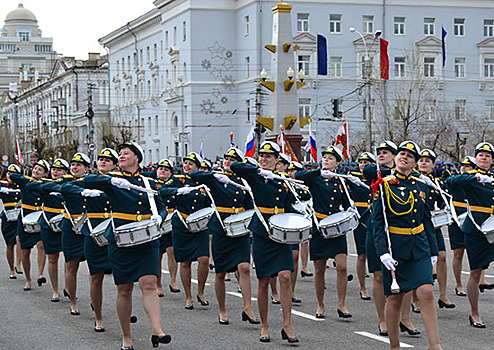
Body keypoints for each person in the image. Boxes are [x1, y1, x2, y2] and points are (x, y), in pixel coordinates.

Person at [80, 141, 171, 349]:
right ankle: (126, 337)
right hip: (121, 241)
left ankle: (158, 331)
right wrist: (111, 182)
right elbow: (86, 180)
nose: (121, 156)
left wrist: (159, 218)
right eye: (120, 154)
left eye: (126, 153)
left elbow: (161, 207)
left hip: (147, 240)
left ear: (136, 158)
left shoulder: (149, 183)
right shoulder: (112, 179)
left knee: (149, 282)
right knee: (124, 289)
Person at [373, 141, 441, 350]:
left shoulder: (421, 186)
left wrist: (433, 250)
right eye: (402, 154)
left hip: (419, 246)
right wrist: (382, 252)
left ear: (414, 162)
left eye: (410, 156)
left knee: (426, 292)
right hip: (395, 248)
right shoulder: (383, 185)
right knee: (395, 298)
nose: (404, 157)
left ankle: (435, 345)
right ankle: (394, 345)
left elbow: (426, 220)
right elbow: (378, 222)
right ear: (395, 158)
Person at [232, 141, 298, 343]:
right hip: (262, 232)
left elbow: (289, 206)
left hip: (280, 232)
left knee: (285, 276)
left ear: (277, 160)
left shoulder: (283, 181)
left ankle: (287, 325)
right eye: (261, 156)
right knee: (264, 281)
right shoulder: (255, 176)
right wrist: (258, 170)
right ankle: (264, 325)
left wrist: (302, 215)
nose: (264, 159)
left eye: (269, 157)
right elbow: (235, 167)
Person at [190, 147, 259, 325]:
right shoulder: (216, 179)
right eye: (226, 158)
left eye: (232, 159)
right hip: (221, 227)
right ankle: (222, 309)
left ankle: (247, 308)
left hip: (239, 227)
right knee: (220, 272)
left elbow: (250, 204)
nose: (228, 161)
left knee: (244, 267)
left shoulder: (243, 182)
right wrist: (213, 176)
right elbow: (195, 175)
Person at [296, 145, 352, 320]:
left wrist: (350, 211)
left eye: (330, 158)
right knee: (319, 268)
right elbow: (299, 176)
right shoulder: (316, 178)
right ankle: (320, 305)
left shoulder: (340, 180)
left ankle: (342, 304)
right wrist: (318, 172)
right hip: (319, 226)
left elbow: (347, 201)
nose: (326, 160)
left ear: (337, 162)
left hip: (336, 227)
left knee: (342, 267)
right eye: (325, 157)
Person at [446, 142, 494, 328]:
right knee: (475, 272)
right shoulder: (469, 178)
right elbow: (451, 183)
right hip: (476, 230)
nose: (484, 157)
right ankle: (474, 313)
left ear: (491, 160)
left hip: (493, 228)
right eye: (480, 155)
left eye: (487, 156)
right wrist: (474, 175)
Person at [164, 152, 210, 310]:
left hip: (200, 225)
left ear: (197, 167)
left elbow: (211, 201)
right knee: (185, 262)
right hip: (182, 224)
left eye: (191, 164)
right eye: (185, 163)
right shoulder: (177, 180)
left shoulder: (204, 182)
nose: (186, 166)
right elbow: (162, 191)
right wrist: (176, 191)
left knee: (204, 259)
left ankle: (201, 292)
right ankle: (188, 296)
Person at [26, 159, 69, 302]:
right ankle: (55, 290)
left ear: (65, 172)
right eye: (54, 169)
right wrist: (54, 185)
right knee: (52, 257)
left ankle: (69, 287)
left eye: (60, 170)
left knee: (69, 259)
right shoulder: (45, 185)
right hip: (48, 225)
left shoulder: (68, 185)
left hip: (64, 223)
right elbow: (30, 185)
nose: (55, 172)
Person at [417, 149, 455, 309]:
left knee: (443, 257)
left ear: (433, 165)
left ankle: (443, 295)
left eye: (427, 160)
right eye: (421, 160)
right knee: (419, 261)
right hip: (418, 225)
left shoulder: (435, 182)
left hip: (433, 224)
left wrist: (446, 208)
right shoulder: (415, 180)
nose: (423, 163)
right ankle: (415, 299)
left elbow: (442, 199)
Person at [9, 159, 48, 291]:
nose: (36, 171)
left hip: (40, 217)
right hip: (25, 218)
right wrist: (27, 177)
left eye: (40, 170)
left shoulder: (46, 184)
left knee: (41, 245)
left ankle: (40, 274)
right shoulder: (25, 181)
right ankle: (28, 279)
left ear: (45, 174)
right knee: (25, 251)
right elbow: (12, 175)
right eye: (35, 168)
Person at [446, 156, 475, 297]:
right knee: (458, 253)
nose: (463, 168)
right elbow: (449, 181)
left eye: (468, 166)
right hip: (457, 220)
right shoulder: (456, 180)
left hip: (473, 220)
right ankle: (458, 284)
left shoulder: (477, 181)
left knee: (475, 253)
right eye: (462, 165)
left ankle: (480, 280)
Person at [348, 152, 374, 300]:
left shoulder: (376, 177)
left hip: (374, 216)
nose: (363, 164)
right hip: (360, 217)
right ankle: (363, 287)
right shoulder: (354, 178)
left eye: (366, 162)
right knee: (361, 254)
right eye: (361, 162)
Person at [155, 158, 180, 296]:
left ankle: (173, 280)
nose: (163, 171)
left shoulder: (175, 183)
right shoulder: (152, 184)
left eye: (166, 169)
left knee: (172, 251)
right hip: (158, 222)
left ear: (171, 173)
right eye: (160, 169)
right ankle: (158, 284)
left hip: (170, 223)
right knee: (157, 254)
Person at [287, 162, 312, 279]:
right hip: (292, 218)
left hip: (304, 215)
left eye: (293, 171)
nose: (290, 173)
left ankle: (304, 267)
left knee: (305, 241)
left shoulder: (305, 184)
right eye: (289, 171)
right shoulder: (287, 184)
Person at [0, 164, 22, 279]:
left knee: (19, 239)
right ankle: (11, 269)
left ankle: (18, 264)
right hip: (7, 220)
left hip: (19, 219)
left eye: (13, 173)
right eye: (8, 173)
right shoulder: (3, 187)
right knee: (9, 244)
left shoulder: (23, 186)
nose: (10, 175)